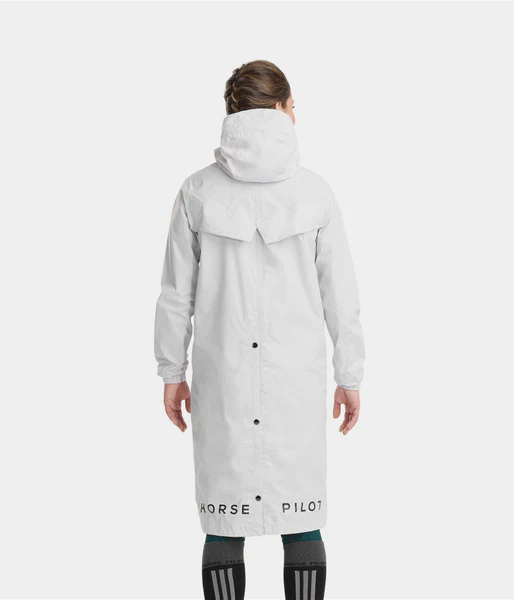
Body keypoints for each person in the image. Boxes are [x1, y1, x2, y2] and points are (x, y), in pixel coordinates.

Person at [154, 59, 365, 600]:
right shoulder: (314, 192)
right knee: (302, 517)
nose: (297, 114)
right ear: (279, 108)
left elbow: (176, 293)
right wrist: (349, 375)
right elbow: (341, 295)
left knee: (224, 519)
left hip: (221, 377)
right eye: (293, 106)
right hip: (296, 377)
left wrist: (172, 372)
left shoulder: (197, 190)